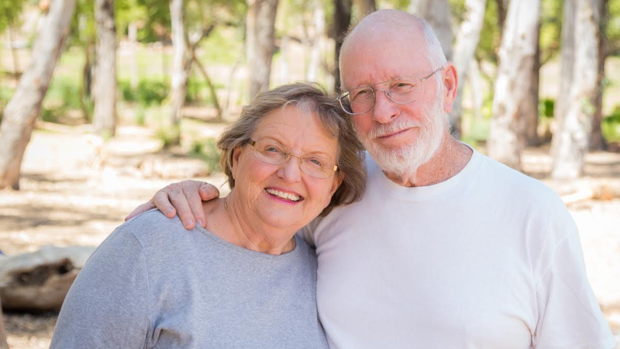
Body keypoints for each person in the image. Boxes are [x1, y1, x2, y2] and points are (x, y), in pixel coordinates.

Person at [127, 10, 616, 349]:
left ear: (446, 87)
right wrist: (193, 196)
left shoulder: (532, 213)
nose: (383, 111)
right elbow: (251, 222)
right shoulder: (338, 192)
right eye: (361, 93)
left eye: (401, 86)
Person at [50, 83, 366, 348]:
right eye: (273, 149)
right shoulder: (147, 249)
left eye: (315, 161)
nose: (290, 173)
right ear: (237, 157)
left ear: (333, 185)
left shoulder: (326, 274)